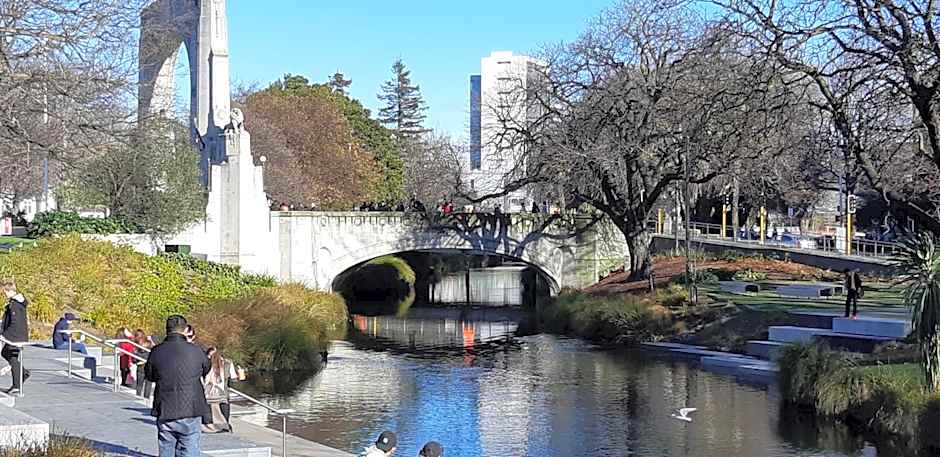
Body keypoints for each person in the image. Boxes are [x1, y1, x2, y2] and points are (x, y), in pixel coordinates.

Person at [144, 315, 212, 457]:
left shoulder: (156, 351)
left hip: (165, 407)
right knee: (190, 447)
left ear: (166, 330)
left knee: (166, 446)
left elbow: (150, 376)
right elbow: (206, 368)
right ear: (185, 330)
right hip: (191, 408)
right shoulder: (195, 350)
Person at [0, 279, 29, 394]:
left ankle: (17, 384)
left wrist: (4, 335)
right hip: (17, 335)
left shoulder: (15, 305)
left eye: (4, 292)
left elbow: (15, 323)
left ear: (9, 291)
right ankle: (22, 373)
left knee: (11, 357)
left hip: (15, 337)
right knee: (8, 355)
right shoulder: (17, 302)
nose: (4, 295)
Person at [202, 347, 238, 433]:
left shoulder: (204, 363)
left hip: (207, 396)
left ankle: (209, 428)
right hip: (223, 396)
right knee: (224, 418)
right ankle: (225, 428)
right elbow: (233, 379)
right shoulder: (228, 363)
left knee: (207, 420)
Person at [134, 329, 154, 399]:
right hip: (149, 365)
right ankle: (146, 398)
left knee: (139, 384)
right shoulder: (149, 344)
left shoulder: (136, 346)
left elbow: (134, 359)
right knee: (148, 384)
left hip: (140, 366)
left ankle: (138, 397)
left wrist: (135, 361)